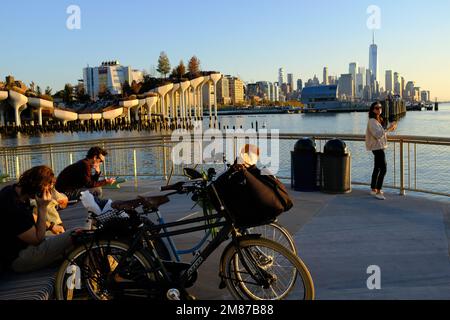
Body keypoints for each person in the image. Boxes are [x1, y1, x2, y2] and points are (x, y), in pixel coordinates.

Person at [0, 166, 75, 273]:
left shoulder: (12, 191)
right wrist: (42, 207)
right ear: (38, 186)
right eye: (48, 188)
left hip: (19, 252)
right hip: (19, 258)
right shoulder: (14, 206)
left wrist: (51, 226)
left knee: (73, 245)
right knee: (75, 234)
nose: (48, 192)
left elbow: (29, 216)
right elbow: (38, 239)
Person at [365, 101, 397, 200]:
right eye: (377, 108)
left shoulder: (377, 120)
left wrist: (388, 129)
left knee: (377, 168)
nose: (379, 109)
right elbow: (378, 134)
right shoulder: (372, 121)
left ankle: (373, 189)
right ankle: (378, 191)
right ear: (372, 110)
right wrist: (389, 129)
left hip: (378, 147)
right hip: (377, 148)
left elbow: (380, 133)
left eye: (380, 108)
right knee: (384, 168)